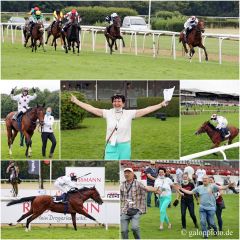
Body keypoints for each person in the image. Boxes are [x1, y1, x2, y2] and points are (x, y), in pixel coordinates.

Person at [71, 94, 168, 160]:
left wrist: (160, 105)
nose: (116, 103)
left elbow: (146, 110)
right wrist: (76, 101)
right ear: (112, 103)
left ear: (123, 103)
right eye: (114, 101)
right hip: (110, 146)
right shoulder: (107, 113)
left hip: (124, 146)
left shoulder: (129, 113)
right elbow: (91, 108)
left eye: (119, 101)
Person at [120, 168, 160, 239]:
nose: (126, 174)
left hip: (136, 210)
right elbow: (119, 196)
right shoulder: (122, 185)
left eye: (128, 172)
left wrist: (155, 189)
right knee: (123, 231)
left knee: (135, 228)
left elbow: (147, 188)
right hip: (125, 210)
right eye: (125, 173)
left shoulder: (138, 183)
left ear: (132, 174)